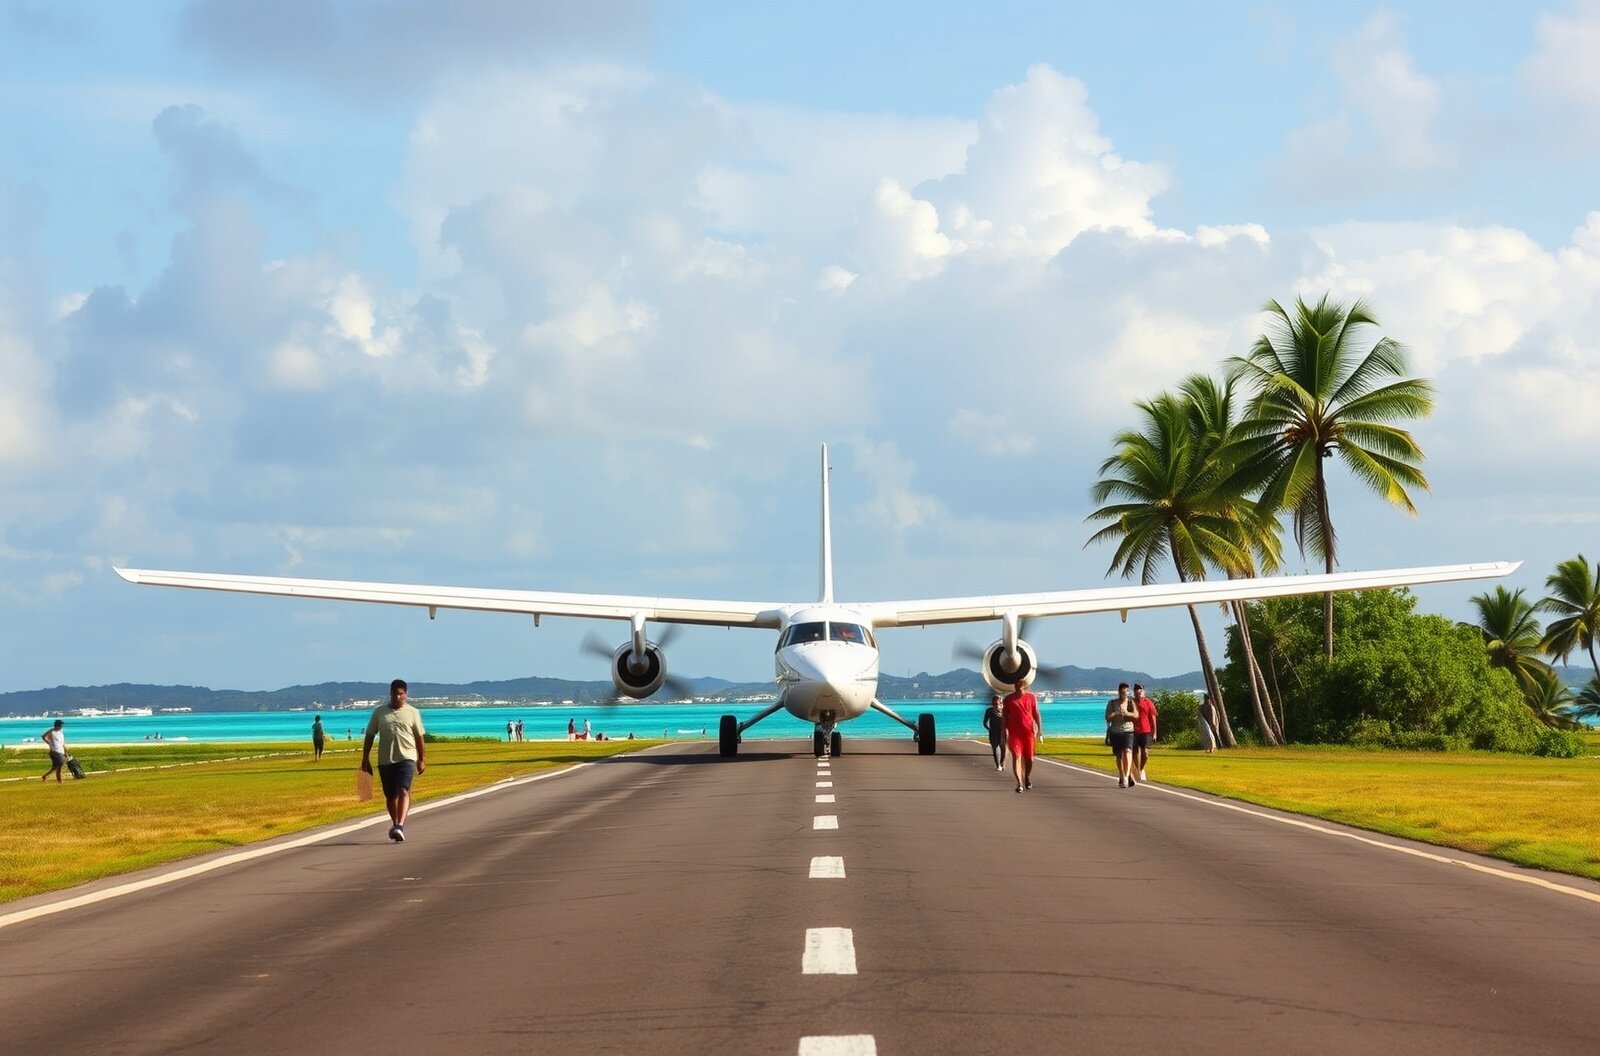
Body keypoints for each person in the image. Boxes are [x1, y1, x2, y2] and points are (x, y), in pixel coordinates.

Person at [361, 679, 427, 843]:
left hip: (407, 757)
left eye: (401, 694)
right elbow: (370, 735)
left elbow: (419, 737)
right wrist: (365, 758)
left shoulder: (413, 712)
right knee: (390, 795)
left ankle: (400, 825)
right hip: (385, 760)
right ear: (390, 694)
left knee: (403, 790)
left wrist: (421, 759)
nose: (398, 697)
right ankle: (395, 823)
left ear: (406, 694)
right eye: (395, 694)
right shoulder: (379, 712)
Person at [1001, 677, 1042, 793]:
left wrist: (1040, 730)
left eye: (1020, 684)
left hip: (1028, 733)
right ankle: (1019, 784)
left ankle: (1026, 777)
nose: (1017, 686)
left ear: (1025, 685)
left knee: (1029, 759)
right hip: (1014, 734)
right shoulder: (1008, 699)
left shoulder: (1031, 697)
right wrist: (1003, 731)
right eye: (1016, 684)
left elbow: (1036, 714)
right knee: (1016, 757)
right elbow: (1004, 717)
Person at [1105, 683, 1137, 788]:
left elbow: (1136, 715)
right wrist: (1117, 713)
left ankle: (1126, 776)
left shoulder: (1130, 702)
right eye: (1122, 692)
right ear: (1119, 692)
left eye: (1126, 692)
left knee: (1128, 750)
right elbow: (1108, 717)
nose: (1124, 694)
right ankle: (1122, 774)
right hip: (1116, 731)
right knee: (1119, 755)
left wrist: (1127, 713)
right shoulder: (1112, 703)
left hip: (1128, 730)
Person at [1132, 683, 1158, 783]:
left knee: (1145, 753)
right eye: (1137, 689)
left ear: (1143, 691)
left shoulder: (1148, 702)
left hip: (1146, 730)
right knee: (1136, 751)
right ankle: (1138, 770)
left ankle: (1141, 768)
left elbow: (1153, 717)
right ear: (1134, 691)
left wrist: (1155, 732)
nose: (1139, 691)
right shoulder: (1132, 702)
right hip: (1134, 731)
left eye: (1141, 689)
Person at [981, 695, 1006, 771]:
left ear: (1001, 702)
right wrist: (989, 729)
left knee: (1004, 748)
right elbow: (985, 722)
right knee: (995, 749)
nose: (995, 704)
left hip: (1003, 733)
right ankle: (998, 765)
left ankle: (1002, 763)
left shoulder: (1005, 710)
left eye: (997, 702)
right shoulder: (989, 711)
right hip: (993, 733)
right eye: (994, 703)